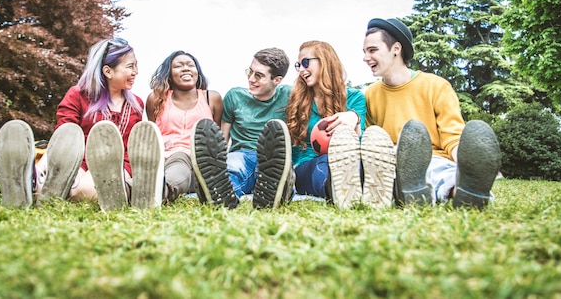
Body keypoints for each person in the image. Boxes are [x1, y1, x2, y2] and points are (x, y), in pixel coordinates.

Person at [0, 37, 165, 211]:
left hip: (118, 163)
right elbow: (65, 135)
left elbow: (130, 145)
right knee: (66, 182)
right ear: (108, 71)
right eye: (130, 66)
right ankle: (32, 180)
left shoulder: (136, 103)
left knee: (84, 190)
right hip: (79, 160)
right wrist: (44, 164)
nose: (136, 72)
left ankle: (42, 189)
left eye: (136, 66)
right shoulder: (78, 95)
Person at [362, 17, 501, 209]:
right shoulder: (369, 95)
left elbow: (452, 137)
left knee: (442, 172)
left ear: (396, 49)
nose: (365, 58)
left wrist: (468, 162)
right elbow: (371, 142)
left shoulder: (436, 86)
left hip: (434, 158)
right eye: (364, 52)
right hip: (389, 163)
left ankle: (466, 193)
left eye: (372, 50)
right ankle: (413, 189)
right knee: (388, 174)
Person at [285, 40, 394, 210]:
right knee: (325, 166)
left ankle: (374, 188)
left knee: (356, 165)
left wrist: (354, 119)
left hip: (349, 160)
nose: (301, 70)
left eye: (306, 62)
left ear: (325, 61)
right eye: (298, 65)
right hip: (307, 167)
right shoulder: (295, 99)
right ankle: (338, 190)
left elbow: (359, 140)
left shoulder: (355, 98)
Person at [190, 47, 294, 209]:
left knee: (279, 174)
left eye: (259, 75)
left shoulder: (289, 95)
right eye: (249, 72)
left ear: (277, 80)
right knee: (232, 167)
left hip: (273, 157)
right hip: (242, 154)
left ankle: (278, 193)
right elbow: (223, 140)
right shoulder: (234, 96)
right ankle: (220, 195)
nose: (251, 79)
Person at [146, 50, 223, 203]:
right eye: (178, 66)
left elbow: (217, 135)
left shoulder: (212, 98)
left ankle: (156, 191)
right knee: (174, 165)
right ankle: (132, 189)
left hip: (200, 162)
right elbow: (154, 132)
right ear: (169, 74)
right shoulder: (156, 99)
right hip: (166, 158)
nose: (186, 68)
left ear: (197, 72)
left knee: (186, 162)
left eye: (190, 65)